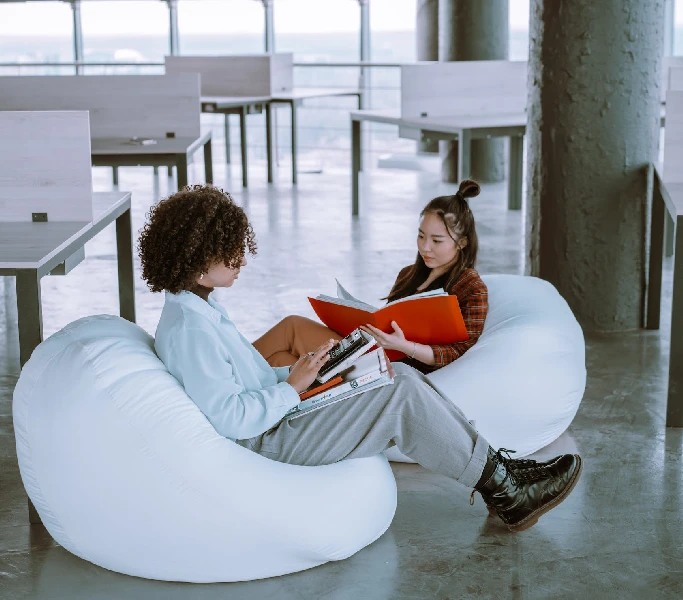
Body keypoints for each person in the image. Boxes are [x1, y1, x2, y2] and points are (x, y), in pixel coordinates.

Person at [137, 184, 582, 533]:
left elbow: (241, 379)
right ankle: (506, 490)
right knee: (401, 392)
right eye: (228, 251)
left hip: (278, 416)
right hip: (270, 438)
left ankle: (502, 473)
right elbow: (234, 419)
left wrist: (301, 373)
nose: (241, 260)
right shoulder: (191, 329)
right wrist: (291, 387)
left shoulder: (201, 308)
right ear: (198, 262)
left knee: (393, 376)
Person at [253, 179, 487, 374]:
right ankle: (233, 393)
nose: (425, 247)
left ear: (462, 243)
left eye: (437, 241)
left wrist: (404, 346)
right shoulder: (408, 274)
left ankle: (222, 379)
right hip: (371, 353)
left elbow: (460, 352)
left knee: (292, 327)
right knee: (279, 360)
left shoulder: (471, 287)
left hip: (394, 369)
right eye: (421, 236)